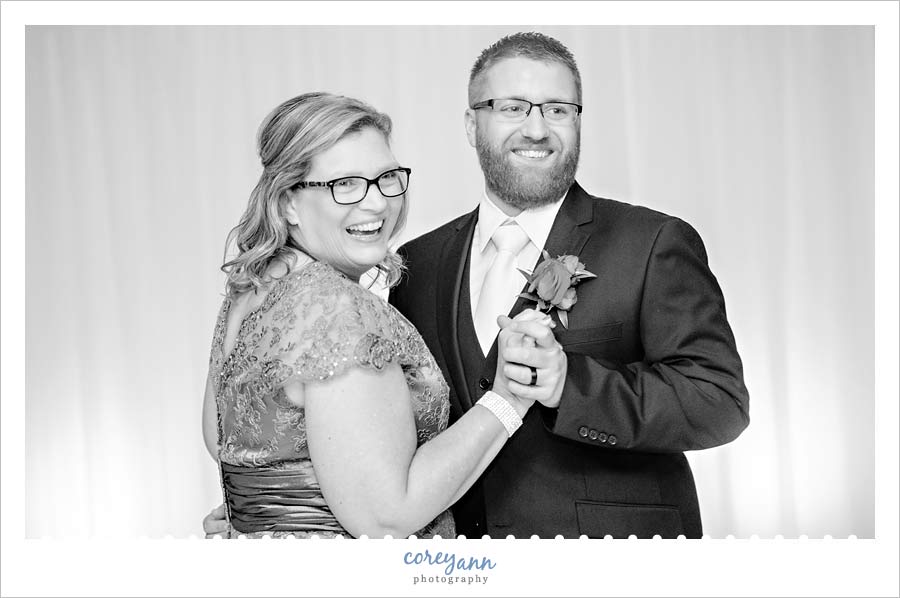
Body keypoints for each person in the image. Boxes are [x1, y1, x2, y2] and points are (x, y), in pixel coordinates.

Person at [388, 32, 750, 539]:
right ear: (472, 124)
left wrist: (569, 386)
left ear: (578, 121)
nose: (536, 129)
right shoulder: (416, 264)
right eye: (511, 107)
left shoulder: (652, 242)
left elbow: (720, 403)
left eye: (558, 110)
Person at [200, 91, 553, 538]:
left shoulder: (251, 291)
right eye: (343, 184)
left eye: (387, 178)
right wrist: (508, 399)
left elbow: (224, 443)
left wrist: (274, 518)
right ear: (287, 201)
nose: (376, 203)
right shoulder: (335, 308)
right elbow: (386, 517)